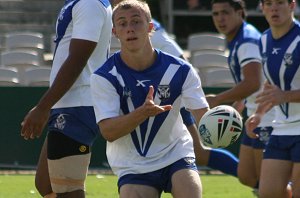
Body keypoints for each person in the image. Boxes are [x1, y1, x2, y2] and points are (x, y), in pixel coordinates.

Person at [90, 0, 209, 197]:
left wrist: (224, 121)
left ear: (150, 27)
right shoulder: (104, 76)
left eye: (136, 21)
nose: (130, 28)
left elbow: (203, 117)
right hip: (133, 164)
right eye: (122, 23)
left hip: (175, 154)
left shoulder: (181, 70)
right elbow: (108, 131)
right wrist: (142, 113)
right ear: (114, 32)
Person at [111, 0, 239, 177]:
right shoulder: (121, 21)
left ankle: (257, 181)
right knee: (199, 153)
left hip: (170, 97)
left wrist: (176, 88)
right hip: (152, 97)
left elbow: (180, 59)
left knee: (199, 152)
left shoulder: (147, 26)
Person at [20, 0, 112, 197]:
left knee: (68, 190)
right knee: (46, 184)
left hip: (78, 103)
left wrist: (43, 107)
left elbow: (77, 60)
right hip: (70, 102)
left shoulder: (89, 3)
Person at [208, 0, 275, 193]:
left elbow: (253, 82)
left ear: (239, 13)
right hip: (255, 114)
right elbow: (257, 79)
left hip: (269, 115)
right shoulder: (239, 38)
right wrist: (241, 102)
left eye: (225, 13)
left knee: (267, 183)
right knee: (247, 176)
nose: (220, 18)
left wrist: (218, 99)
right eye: (216, 14)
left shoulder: (246, 41)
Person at [246, 0, 300, 197]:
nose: (274, 8)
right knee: (267, 193)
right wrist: (259, 114)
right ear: (262, 7)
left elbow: (281, 93)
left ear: (292, 5)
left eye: (279, 2)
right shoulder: (264, 39)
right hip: (281, 128)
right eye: (268, 3)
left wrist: (285, 96)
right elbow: (271, 85)